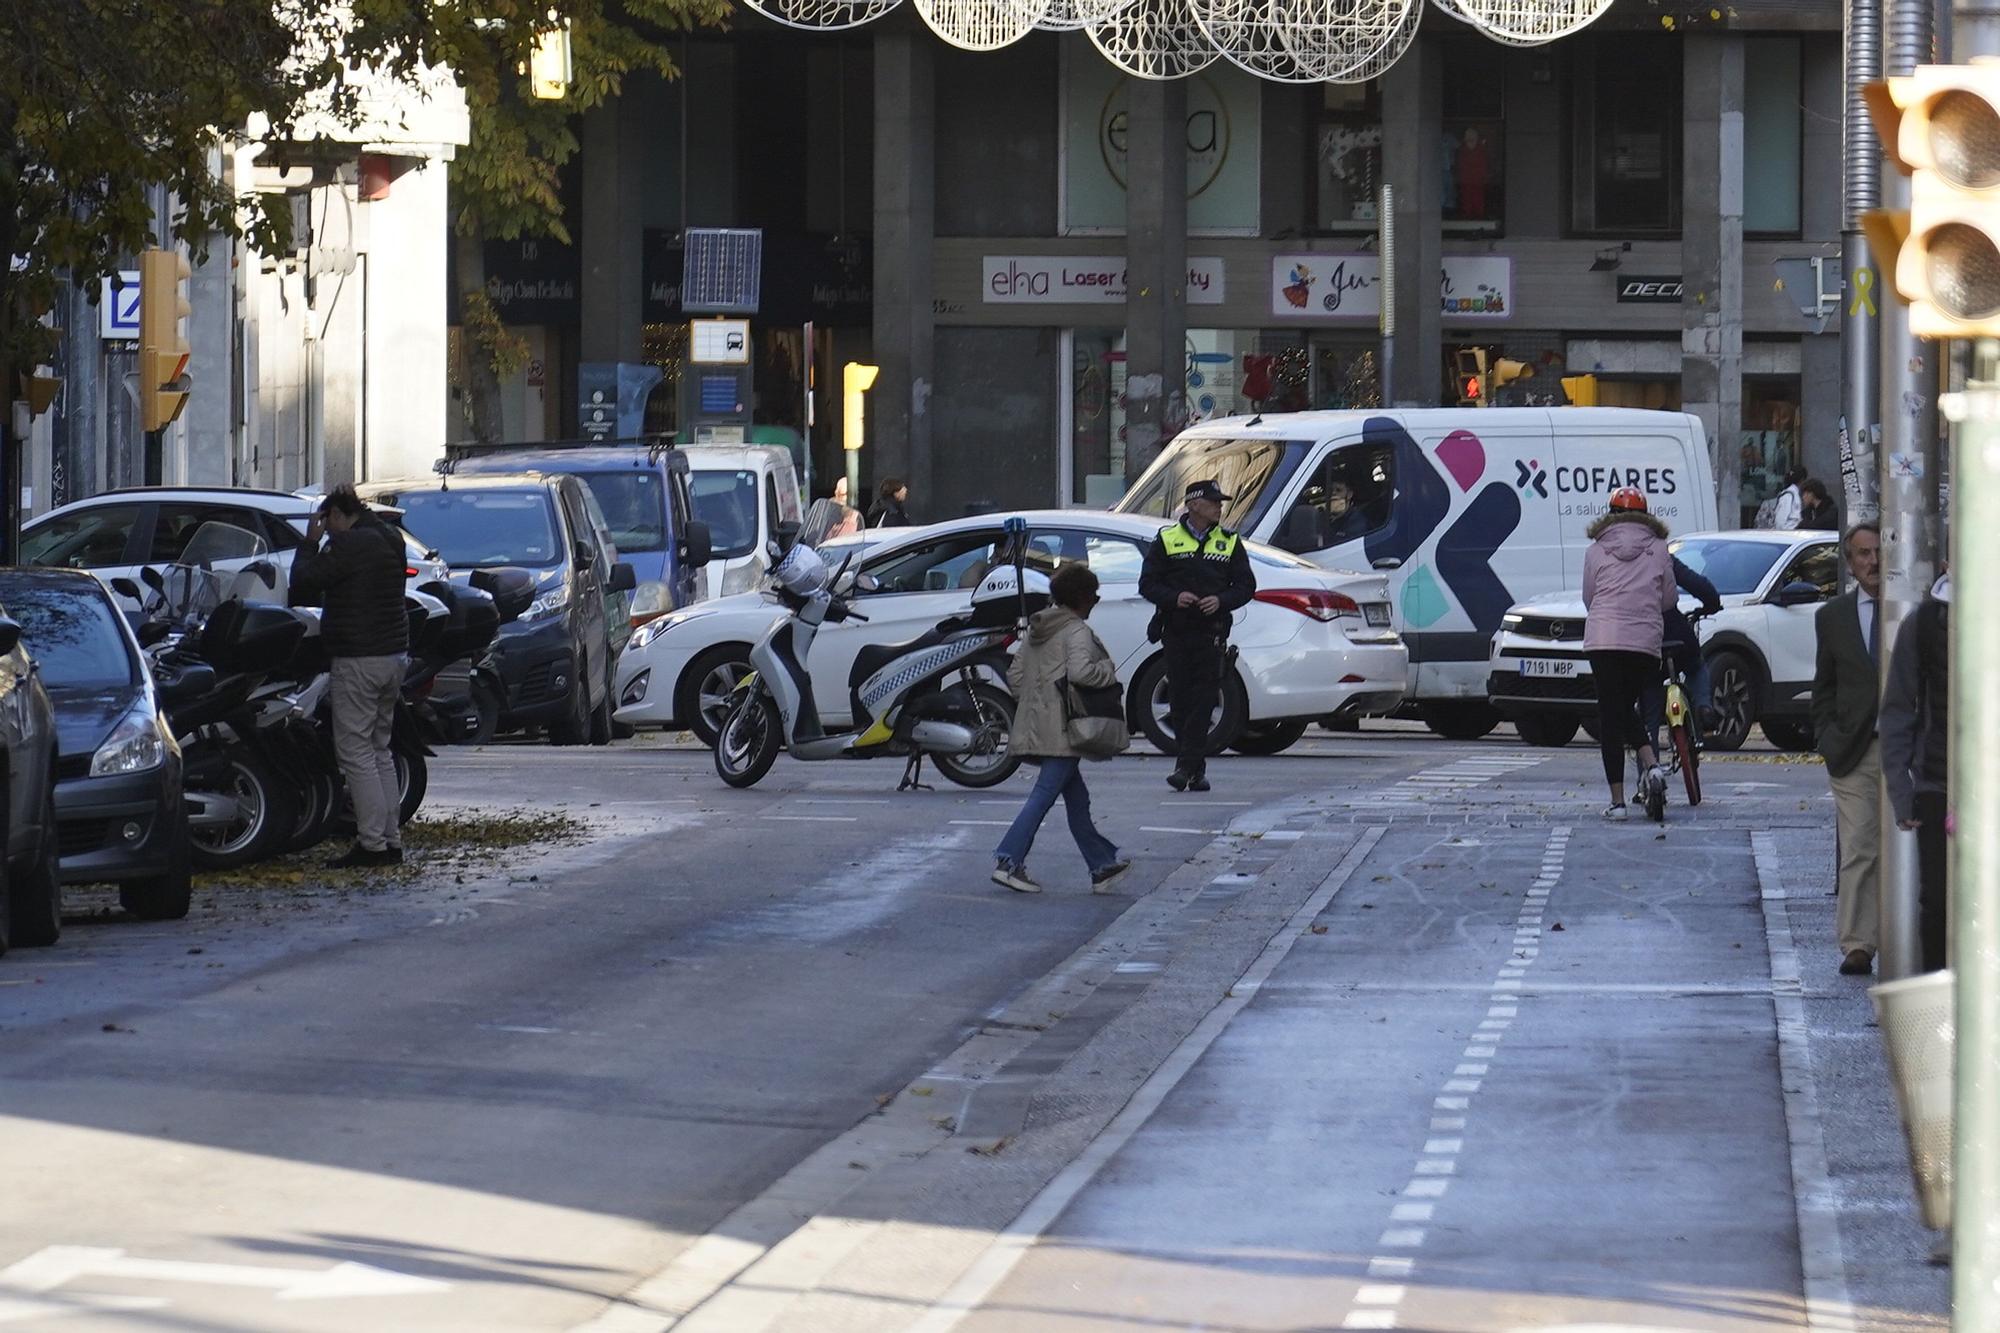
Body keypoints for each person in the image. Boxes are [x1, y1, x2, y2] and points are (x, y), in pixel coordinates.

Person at [288, 486, 411, 869]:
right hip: (393, 655)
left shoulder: (350, 545)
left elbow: (305, 582)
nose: (327, 529)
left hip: (359, 658)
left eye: (328, 522)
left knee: (355, 752)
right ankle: (390, 840)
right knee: (379, 750)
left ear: (337, 515)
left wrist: (310, 543)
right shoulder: (390, 538)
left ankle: (372, 844)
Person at [991, 564, 1130, 895]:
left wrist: (1039, 703)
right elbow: (1082, 673)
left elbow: (1016, 677)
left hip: (1040, 724)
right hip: (1067, 727)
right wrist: (1107, 670)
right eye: (1094, 596)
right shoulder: (1076, 631)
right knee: (1043, 796)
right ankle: (1009, 860)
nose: (1096, 602)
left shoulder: (1039, 628)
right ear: (1082, 598)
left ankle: (1101, 866)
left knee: (1077, 799)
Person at [1139, 479, 1256, 793]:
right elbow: (1148, 584)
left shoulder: (1229, 541)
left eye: (1220, 502)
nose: (1220, 507)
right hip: (1176, 630)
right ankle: (1195, 770)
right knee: (1179, 701)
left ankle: (1185, 768)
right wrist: (1174, 597)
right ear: (1193, 505)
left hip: (1211, 632)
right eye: (1213, 501)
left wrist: (1221, 601)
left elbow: (1246, 586)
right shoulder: (1167, 539)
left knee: (1204, 700)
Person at [1811, 521, 1884, 976]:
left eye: (1879, 552)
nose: (1873, 561)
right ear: (1850, 563)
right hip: (1854, 750)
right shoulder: (1833, 617)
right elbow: (1824, 685)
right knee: (1859, 845)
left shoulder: (1912, 605)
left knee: (1910, 848)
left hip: (1908, 749)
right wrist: (1828, 739)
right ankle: (1858, 943)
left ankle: (1910, 940)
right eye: (1863, 554)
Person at [1580, 487, 1676, 821]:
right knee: (1626, 709)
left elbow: (1589, 598)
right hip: (1643, 643)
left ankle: (1618, 802)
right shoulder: (1660, 549)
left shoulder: (1595, 551)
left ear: (1610, 513)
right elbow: (1669, 601)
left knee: (1612, 717)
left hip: (1604, 639)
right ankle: (1652, 767)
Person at [1881, 567, 1950, 973]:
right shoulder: (1924, 624)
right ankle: (1938, 1002)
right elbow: (1898, 708)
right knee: (1937, 902)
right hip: (1937, 785)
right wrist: (1902, 790)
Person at [1667, 555, 1723, 738]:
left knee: (1648, 685)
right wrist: (1712, 604)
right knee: (1695, 666)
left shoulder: (1607, 554)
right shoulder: (1659, 553)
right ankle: (1703, 706)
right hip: (1672, 629)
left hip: (1637, 636)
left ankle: (1650, 752)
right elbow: (1696, 583)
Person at [1768, 466, 1807, 530]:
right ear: (1802, 479)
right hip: (1788, 533)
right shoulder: (1788, 495)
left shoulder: (1796, 494)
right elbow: (1780, 521)